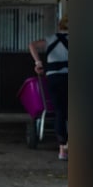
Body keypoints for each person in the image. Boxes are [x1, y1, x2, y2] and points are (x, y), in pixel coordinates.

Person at [29, 15, 69, 160]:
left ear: (60, 26)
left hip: (53, 78)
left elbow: (32, 45)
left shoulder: (51, 39)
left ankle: (62, 149)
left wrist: (38, 63)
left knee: (59, 111)